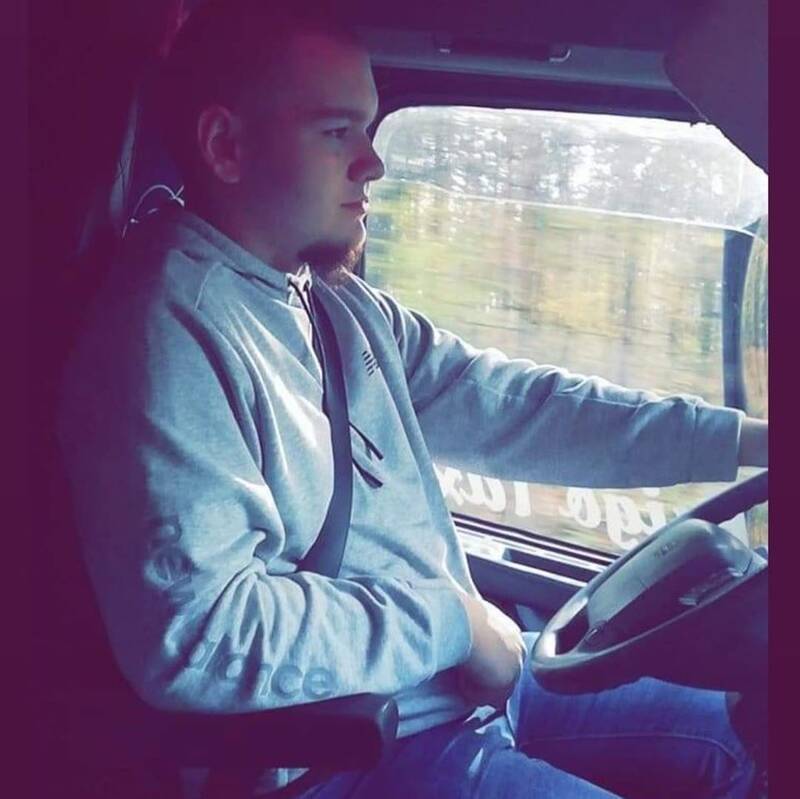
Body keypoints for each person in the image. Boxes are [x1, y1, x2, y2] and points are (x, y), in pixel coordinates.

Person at [57, 1, 768, 797]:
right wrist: (452, 622)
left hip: (452, 689)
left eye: (369, 128)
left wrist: (747, 440)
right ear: (226, 146)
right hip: (349, 753)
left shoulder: (333, 302)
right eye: (337, 132)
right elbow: (202, 633)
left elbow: (518, 406)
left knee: (746, 727)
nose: (373, 163)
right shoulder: (165, 334)